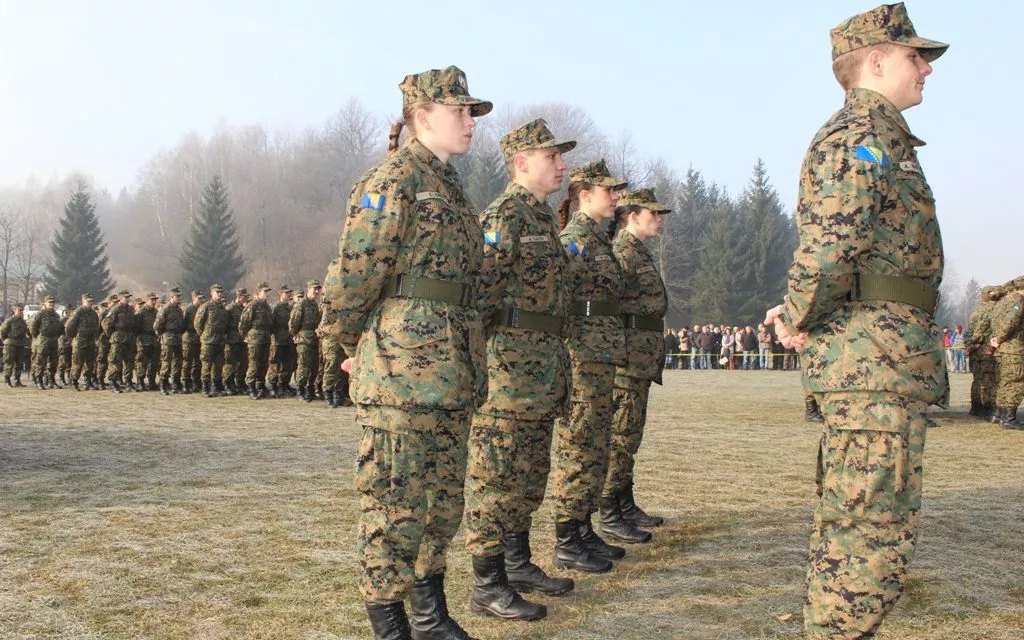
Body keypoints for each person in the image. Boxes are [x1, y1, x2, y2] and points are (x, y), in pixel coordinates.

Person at [765, 4, 948, 637]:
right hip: (871, 363)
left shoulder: (885, 139)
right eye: (913, 55)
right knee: (865, 535)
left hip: (884, 360)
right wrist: (795, 316)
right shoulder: (858, 140)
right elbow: (829, 251)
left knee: (872, 528)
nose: (925, 68)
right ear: (874, 60)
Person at [322, 65, 491, 640]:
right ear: (423, 117)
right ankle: (389, 623)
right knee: (395, 504)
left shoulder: (448, 185)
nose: (471, 123)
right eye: (460, 112)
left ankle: (429, 613)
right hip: (400, 370)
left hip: (450, 370)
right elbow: (354, 272)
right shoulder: (393, 179)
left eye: (472, 113)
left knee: (442, 503)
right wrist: (346, 344)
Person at [462, 118, 577, 622]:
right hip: (509, 374)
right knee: (498, 478)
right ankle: (487, 584)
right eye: (552, 157)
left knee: (529, 476)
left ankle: (517, 564)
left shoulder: (544, 219)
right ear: (521, 162)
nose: (562, 165)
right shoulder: (504, 216)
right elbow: (479, 297)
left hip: (541, 370)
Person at [549, 159, 628, 575]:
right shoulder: (575, 239)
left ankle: (581, 527)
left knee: (596, 443)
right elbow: (558, 290)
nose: (615, 198)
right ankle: (567, 536)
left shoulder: (598, 240)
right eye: (608, 191)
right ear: (585, 196)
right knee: (579, 444)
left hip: (600, 355)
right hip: (582, 355)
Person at [602, 188, 672, 545]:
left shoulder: (637, 252)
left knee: (630, 436)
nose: (658, 219)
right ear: (632, 216)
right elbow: (608, 305)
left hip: (640, 359)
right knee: (620, 437)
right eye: (653, 213)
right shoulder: (623, 253)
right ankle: (610, 511)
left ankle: (624, 502)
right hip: (627, 360)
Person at [990, 276, 1024, 429]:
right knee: (1015, 383)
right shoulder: (1018, 301)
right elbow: (1011, 322)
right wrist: (999, 338)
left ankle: (1001, 415)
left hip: (1004, 349)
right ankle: (1009, 419)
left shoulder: (1002, 303)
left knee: (1005, 383)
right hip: (1014, 348)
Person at [966, 286, 1002, 419]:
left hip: (976, 350)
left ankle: (976, 407)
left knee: (977, 380)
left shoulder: (976, 311)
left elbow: (970, 331)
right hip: (987, 349)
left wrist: (970, 345)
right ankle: (989, 408)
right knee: (989, 380)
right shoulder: (994, 309)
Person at [239, 282, 274, 400]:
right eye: (265, 292)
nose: (267, 294)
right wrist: (245, 336)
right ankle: (251, 386)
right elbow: (244, 323)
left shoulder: (267, 307)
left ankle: (260, 385)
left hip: (265, 338)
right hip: (255, 339)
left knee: (264, 364)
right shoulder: (252, 305)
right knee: (254, 363)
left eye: (268, 292)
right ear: (258, 293)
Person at [289, 280, 322, 403]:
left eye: (318, 289)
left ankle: (310, 389)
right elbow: (293, 323)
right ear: (308, 289)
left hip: (313, 338)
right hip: (303, 339)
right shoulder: (301, 304)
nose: (317, 291)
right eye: (315, 289)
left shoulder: (314, 305)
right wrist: (296, 335)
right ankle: (300, 390)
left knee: (314, 366)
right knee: (303, 366)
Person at [194, 284, 230, 397]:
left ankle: (215, 387)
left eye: (220, 293)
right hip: (208, 341)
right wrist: (204, 335)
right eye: (217, 292)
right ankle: (205, 388)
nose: (219, 294)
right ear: (212, 294)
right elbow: (197, 323)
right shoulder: (206, 306)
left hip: (219, 341)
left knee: (218, 365)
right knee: (206, 365)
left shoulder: (223, 309)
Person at [154, 287, 186, 395]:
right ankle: (163, 383)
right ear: (172, 297)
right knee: (166, 361)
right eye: (177, 296)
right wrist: (162, 335)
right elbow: (157, 325)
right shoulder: (165, 309)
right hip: (168, 338)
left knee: (177, 362)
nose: (179, 298)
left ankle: (175, 383)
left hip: (178, 338)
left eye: (179, 296)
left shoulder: (179, 310)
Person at [66, 293, 101, 390]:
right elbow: (69, 327)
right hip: (80, 341)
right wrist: (75, 336)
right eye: (88, 301)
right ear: (83, 301)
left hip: (90, 341)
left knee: (90, 363)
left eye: (91, 301)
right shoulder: (78, 312)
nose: (90, 303)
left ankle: (88, 382)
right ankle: (74, 381)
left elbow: (96, 326)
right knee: (77, 363)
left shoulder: (93, 314)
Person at [29, 295, 62, 389]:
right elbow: (33, 327)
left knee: (53, 361)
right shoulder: (40, 314)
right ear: (45, 303)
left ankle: (51, 380)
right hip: (43, 340)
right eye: (49, 302)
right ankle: (39, 380)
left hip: (54, 340)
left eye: (53, 302)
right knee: (41, 361)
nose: (51, 304)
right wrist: (37, 337)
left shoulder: (56, 315)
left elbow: (60, 328)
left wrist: (56, 336)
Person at [268, 285, 296, 397]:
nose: (288, 295)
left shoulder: (289, 308)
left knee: (287, 363)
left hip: (288, 339)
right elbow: (271, 323)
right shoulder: (276, 307)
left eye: (289, 293)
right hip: (278, 340)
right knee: (275, 363)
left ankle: (283, 384)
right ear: (281, 294)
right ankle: (273, 385)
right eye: (286, 293)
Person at [223, 288, 249, 395]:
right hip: (231, 339)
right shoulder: (230, 309)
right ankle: (228, 383)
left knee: (243, 363)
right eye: (244, 297)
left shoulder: (244, 308)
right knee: (230, 363)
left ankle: (240, 383)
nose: (246, 299)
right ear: (239, 297)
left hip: (242, 340)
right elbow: (224, 325)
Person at [1, 303, 28, 387]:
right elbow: (2, 331)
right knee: (9, 362)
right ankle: (7, 380)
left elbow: (24, 332)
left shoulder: (23, 322)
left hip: (20, 344)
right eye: (19, 310)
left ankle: (17, 380)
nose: (21, 312)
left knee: (19, 363)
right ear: (14, 311)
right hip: (10, 344)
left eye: (22, 310)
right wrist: (6, 340)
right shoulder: (9, 321)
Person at [182, 290, 203, 393]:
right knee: (187, 362)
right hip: (189, 338)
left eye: (201, 298)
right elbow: (184, 324)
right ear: (194, 298)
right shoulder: (189, 309)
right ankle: (186, 382)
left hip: (198, 338)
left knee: (197, 362)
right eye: (199, 298)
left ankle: (196, 381)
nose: (200, 300)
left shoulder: (202, 308)